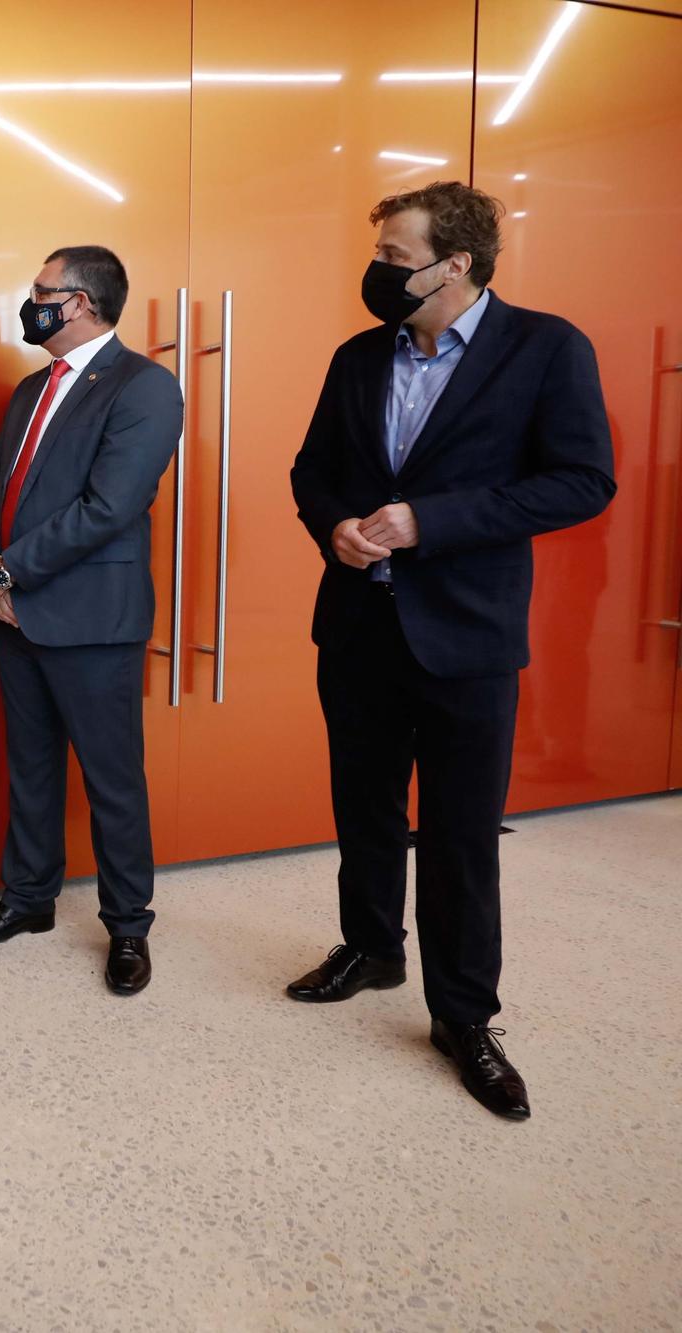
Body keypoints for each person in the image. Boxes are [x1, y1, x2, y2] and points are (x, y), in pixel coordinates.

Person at [287, 181, 615, 1120]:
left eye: (393, 256)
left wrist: (431, 522)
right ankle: (372, 946)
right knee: (364, 803)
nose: (377, 270)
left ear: (455, 263)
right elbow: (313, 471)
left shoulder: (546, 347)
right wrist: (338, 526)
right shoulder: (359, 356)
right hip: (357, 623)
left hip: (468, 635)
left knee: (463, 835)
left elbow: (583, 480)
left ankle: (464, 1014)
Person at [0, 246, 184, 995]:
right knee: (32, 764)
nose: (33, 301)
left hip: (92, 617)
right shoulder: (31, 388)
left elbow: (110, 507)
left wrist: (9, 572)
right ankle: (29, 898)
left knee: (113, 779)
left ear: (80, 302)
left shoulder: (145, 387)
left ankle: (128, 927)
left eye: (42, 291)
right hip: (13, 609)